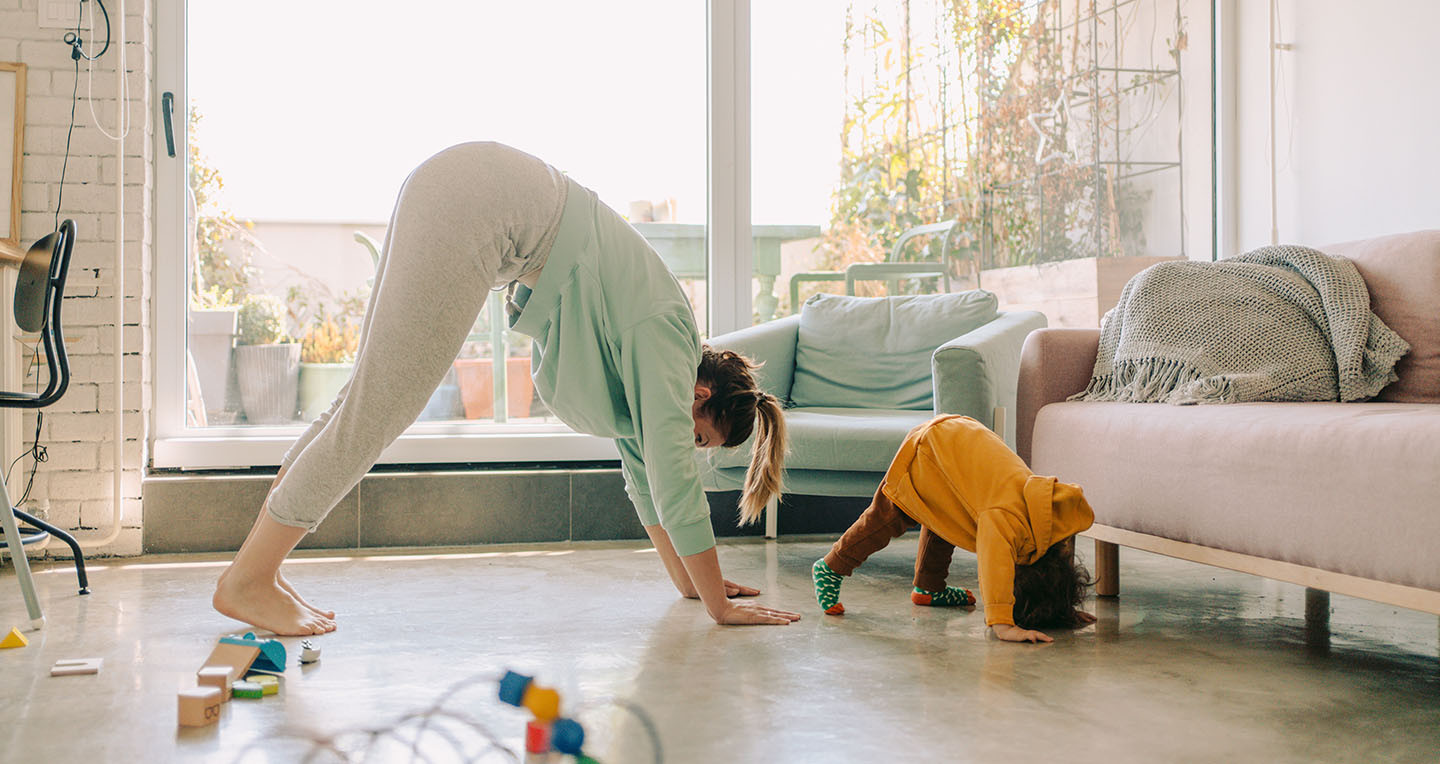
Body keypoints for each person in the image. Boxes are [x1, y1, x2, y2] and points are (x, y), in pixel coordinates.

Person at [213, 142, 801, 635]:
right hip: (475, 203)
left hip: (463, 187)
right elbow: (670, 478)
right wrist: (721, 608)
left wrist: (690, 581)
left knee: (361, 400)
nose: (682, 441)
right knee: (378, 409)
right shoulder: (664, 336)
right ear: (701, 396)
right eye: (698, 437)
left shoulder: (655, 336)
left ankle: (258, 568)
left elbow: (644, 474)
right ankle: (251, 577)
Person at [811, 414, 1096, 643]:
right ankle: (831, 566)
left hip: (959, 436)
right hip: (929, 447)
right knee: (887, 517)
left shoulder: (1048, 513)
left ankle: (929, 588)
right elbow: (995, 563)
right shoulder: (1006, 519)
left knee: (952, 514)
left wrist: (1063, 610)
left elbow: (1061, 555)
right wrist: (1003, 623)